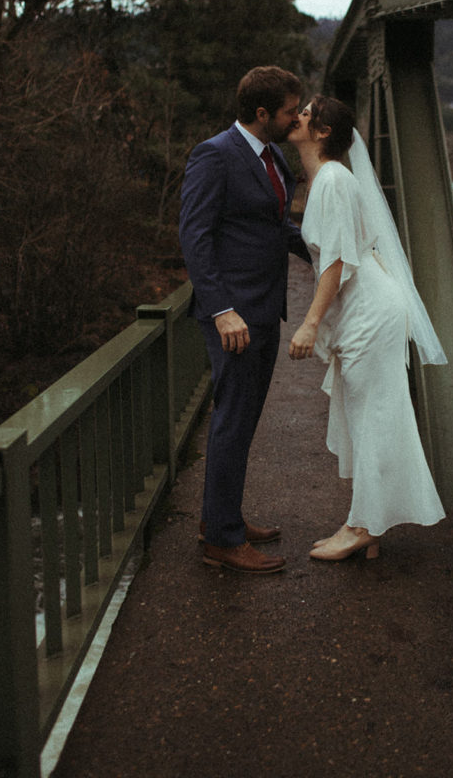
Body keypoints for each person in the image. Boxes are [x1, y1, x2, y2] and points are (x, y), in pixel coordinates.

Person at [288, 95, 447, 561]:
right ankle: (365, 522)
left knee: (374, 417)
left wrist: (310, 324)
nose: (297, 114)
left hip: (370, 312)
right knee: (368, 416)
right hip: (365, 310)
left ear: (321, 132)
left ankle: (364, 527)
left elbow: (336, 262)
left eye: (306, 111)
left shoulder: (334, 180)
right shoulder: (326, 179)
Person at [179, 65, 312, 573]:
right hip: (233, 316)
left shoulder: (274, 155)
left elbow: (278, 227)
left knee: (244, 420)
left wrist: (330, 256)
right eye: (287, 111)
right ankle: (223, 540)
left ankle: (221, 517)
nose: (295, 117)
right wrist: (221, 309)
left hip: (264, 308)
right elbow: (195, 236)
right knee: (233, 420)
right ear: (262, 114)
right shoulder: (214, 155)